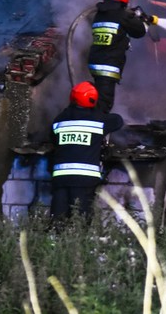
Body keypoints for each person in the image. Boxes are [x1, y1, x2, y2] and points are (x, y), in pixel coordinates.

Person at [48, 81, 123, 226]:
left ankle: (54, 246)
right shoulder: (98, 121)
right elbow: (118, 121)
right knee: (81, 221)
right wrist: (99, 111)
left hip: (61, 178)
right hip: (84, 180)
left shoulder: (59, 120)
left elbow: (52, 138)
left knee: (57, 221)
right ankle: (80, 246)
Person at [88, 0, 157, 113]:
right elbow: (139, 31)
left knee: (96, 98)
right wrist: (144, 21)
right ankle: (96, 130)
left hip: (95, 62)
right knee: (104, 104)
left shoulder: (100, 13)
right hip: (108, 65)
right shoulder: (121, 16)